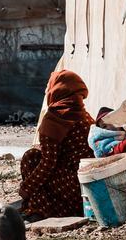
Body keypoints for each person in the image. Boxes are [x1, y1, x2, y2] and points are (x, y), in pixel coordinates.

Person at [19, 69, 95, 220]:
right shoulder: (85, 116)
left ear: (57, 90)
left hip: (70, 187)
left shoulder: (55, 119)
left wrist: (26, 188)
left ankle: (38, 209)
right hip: (86, 189)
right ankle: (59, 209)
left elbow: (48, 163)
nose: (47, 90)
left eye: (49, 86)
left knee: (31, 157)